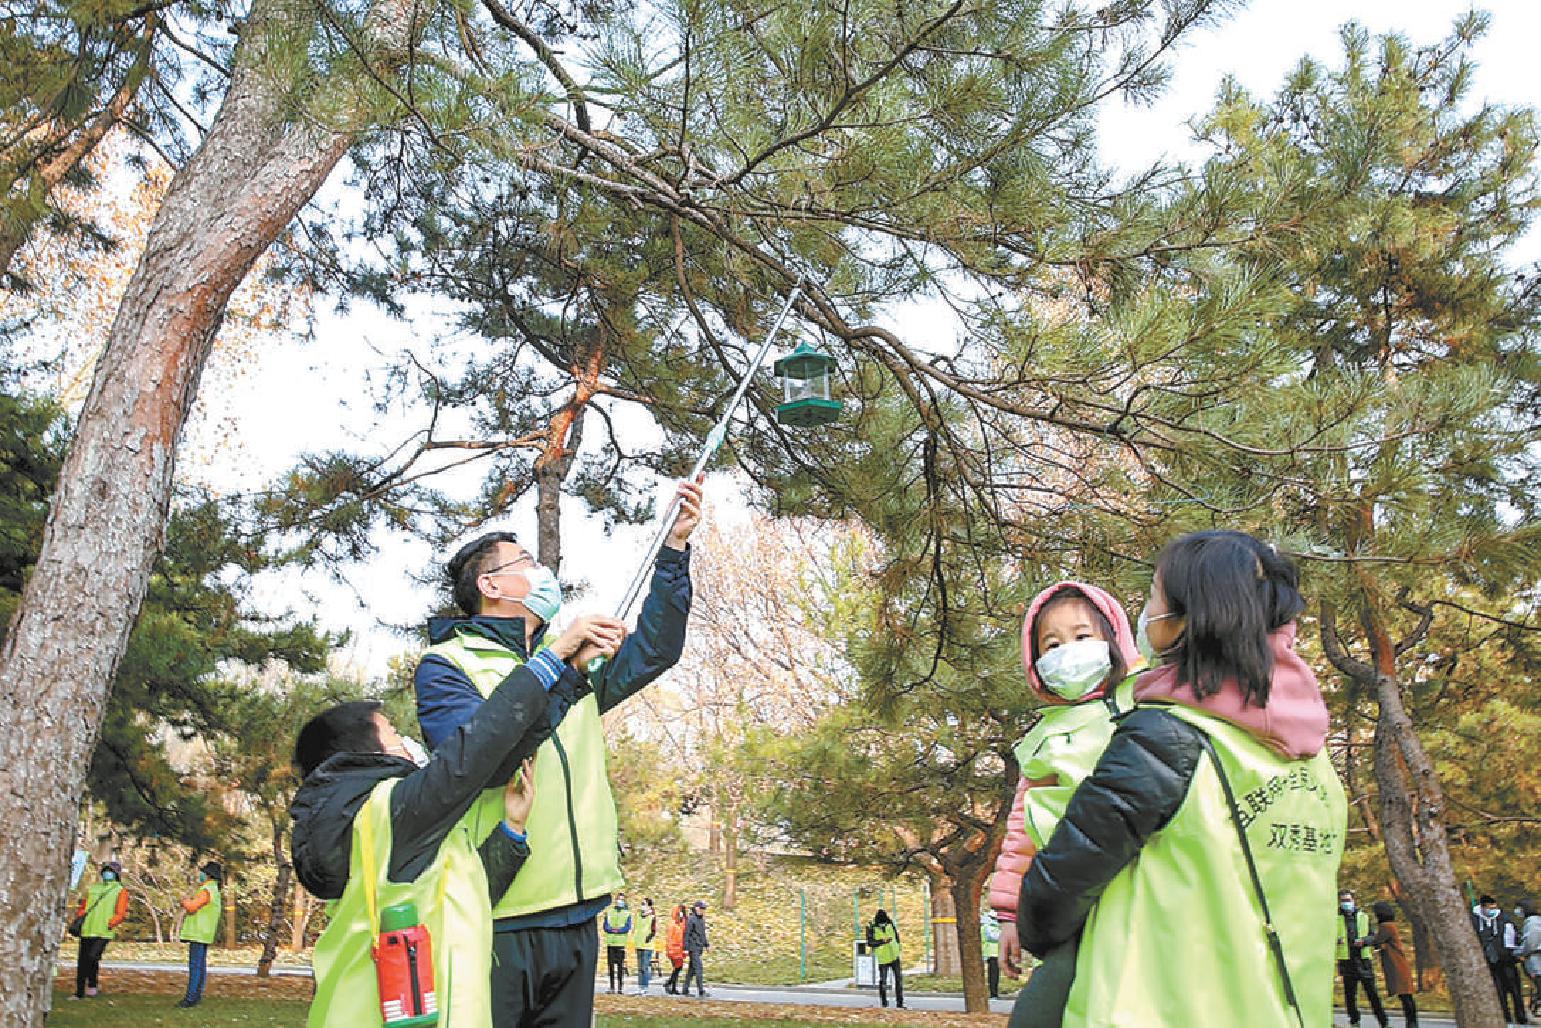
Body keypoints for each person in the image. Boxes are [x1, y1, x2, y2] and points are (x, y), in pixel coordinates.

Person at [1016, 530, 1347, 1027]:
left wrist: (1033, 926)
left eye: (1155, 596)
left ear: (1194, 615)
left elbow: (1065, 877)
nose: (1147, 614)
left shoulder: (1164, 737)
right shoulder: (1315, 763)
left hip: (1161, 1004)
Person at [414, 477, 702, 1027]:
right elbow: (477, 764)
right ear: (491, 584)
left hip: (579, 912)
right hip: (500, 916)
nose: (542, 572)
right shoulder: (447, 667)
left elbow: (655, 650)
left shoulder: (571, 658)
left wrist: (674, 549)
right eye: (525, 561)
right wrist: (559, 666)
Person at [292, 612, 620, 1027]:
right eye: (393, 734)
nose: (407, 742)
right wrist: (556, 659)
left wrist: (511, 832)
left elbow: (461, 891)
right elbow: (478, 746)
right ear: (370, 752)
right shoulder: (393, 813)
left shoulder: (371, 829)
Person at [989, 580, 1140, 1025]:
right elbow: (1021, 834)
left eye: (1082, 636)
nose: (1067, 651)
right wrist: (1010, 916)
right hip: (1073, 901)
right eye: (1051, 644)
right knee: (1046, 1007)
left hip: (1145, 890)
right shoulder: (1044, 738)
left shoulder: (1149, 703)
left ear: (1114, 639)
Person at [71, 861, 128, 1000]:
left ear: (116, 874)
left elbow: (121, 912)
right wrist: (80, 917)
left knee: (92, 957)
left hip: (103, 931)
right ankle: (79, 992)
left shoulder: (120, 890)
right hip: (87, 929)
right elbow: (84, 906)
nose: (107, 873)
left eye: (111, 871)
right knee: (83, 961)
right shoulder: (93, 888)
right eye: (106, 871)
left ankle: (92, 985)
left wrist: (111, 923)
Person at [1473, 894, 1529, 1024]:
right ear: (1482, 907)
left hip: (1507, 960)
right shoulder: (1475, 920)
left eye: (1494, 907)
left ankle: (1521, 1017)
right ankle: (1505, 1017)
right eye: (1489, 907)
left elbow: (1515, 936)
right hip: (1490, 962)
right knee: (1499, 992)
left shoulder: (1504, 919)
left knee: (1515, 990)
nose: (1492, 909)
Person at [1338, 890, 1390, 1028]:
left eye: (1348, 900)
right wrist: (1337, 941)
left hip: (1363, 960)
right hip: (1346, 961)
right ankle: (1354, 1021)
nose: (1345, 903)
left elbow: (1373, 936)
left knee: (1373, 994)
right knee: (1350, 996)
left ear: (1353, 900)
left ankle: (1384, 1022)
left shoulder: (1363, 917)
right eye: (1343, 901)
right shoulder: (1336, 919)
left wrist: (1364, 941)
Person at [176, 861, 223, 1009]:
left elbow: (192, 907)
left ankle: (191, 997)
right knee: (200, 965)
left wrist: (184, 901)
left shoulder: (207, 890)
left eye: (203, 872)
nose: (200, 874)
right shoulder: (214, 890)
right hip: (205, 932)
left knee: (195, 966)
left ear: (208, 874)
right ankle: (196, 995)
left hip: (198, 932)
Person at [1370, 901, 1417, 1027]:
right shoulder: (1391, 925)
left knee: (1405, 995)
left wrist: (1370, 941)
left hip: (1396, 965)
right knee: (1406, 995)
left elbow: (1377, 940)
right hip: (1399, 964)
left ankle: (1412, 1022)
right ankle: (1412, 1022)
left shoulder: (1386, 926)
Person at [869, 908, 903, 1009]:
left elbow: (896, 936)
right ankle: (884, 1002)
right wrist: (882, 941)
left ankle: (900, 1003)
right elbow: (870, 942)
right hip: (883, 958)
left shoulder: (890, 924)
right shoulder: (872, 927)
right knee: (883, 981)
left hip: (894, 955)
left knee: (898, 980)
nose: (882, 925)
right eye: (881, 924)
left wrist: (897, 946)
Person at [602, 893, 632, 994]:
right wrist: (613, 930)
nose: (620, 901)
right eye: (619, 899)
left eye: (622, 900)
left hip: (620, 943)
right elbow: (606, 927)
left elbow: (627, 927)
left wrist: (617, 931)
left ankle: (620, 987)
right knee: (610, 966)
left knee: (620, 966)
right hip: (611, 943)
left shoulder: (627, 913)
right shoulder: (609, 912)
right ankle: (611, 987)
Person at [1516, 899, 1541, 1019]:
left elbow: (1530, 943)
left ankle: (1535, 1010)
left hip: (1536, 963)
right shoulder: (1536, 921)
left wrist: (1517, 952)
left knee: (1539, 987)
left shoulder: (1532, 923)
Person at [685, 899, 711, 998]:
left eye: (704, 909)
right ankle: (701, 990)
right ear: (696, 908)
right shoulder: (691, 919)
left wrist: (706, 945)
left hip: (699, 947)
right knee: (699, 968)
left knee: (691, 970)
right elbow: (687, 934)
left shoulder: (701, 920)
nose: (703, 910)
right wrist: (686, 948)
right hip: (693, 948)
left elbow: (702, 934)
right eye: (701, 908)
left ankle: (685, 989)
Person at [631, 897, 657, 995]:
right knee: (640, 967)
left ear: (649, 906)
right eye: (641, 903)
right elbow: (636, 927)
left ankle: (645, 987)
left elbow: (654, 930)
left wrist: (648, 938)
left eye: (644, 904)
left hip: (647, 945)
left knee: (644, 967)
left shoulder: (652, 916)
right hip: (638, 943)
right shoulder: (638, 915)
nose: (642, 906)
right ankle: (640, 986)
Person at [664, 903, 688, 994]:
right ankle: (670, 984)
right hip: (674, 950)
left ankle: (672, 986)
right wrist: (670, 950)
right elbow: (670, 939)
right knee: (677, 968)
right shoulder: (672, 925)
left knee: (677, 969)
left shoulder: (681, 923)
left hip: (679, 950)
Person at [981, 908, 1002, 1000]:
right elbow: (994, 937)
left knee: (995, 975)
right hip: (992, 954)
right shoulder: (988, 927)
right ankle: (993, 994)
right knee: (993, 975)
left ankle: (994, 993)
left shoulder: (992, 927)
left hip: (995, 953)